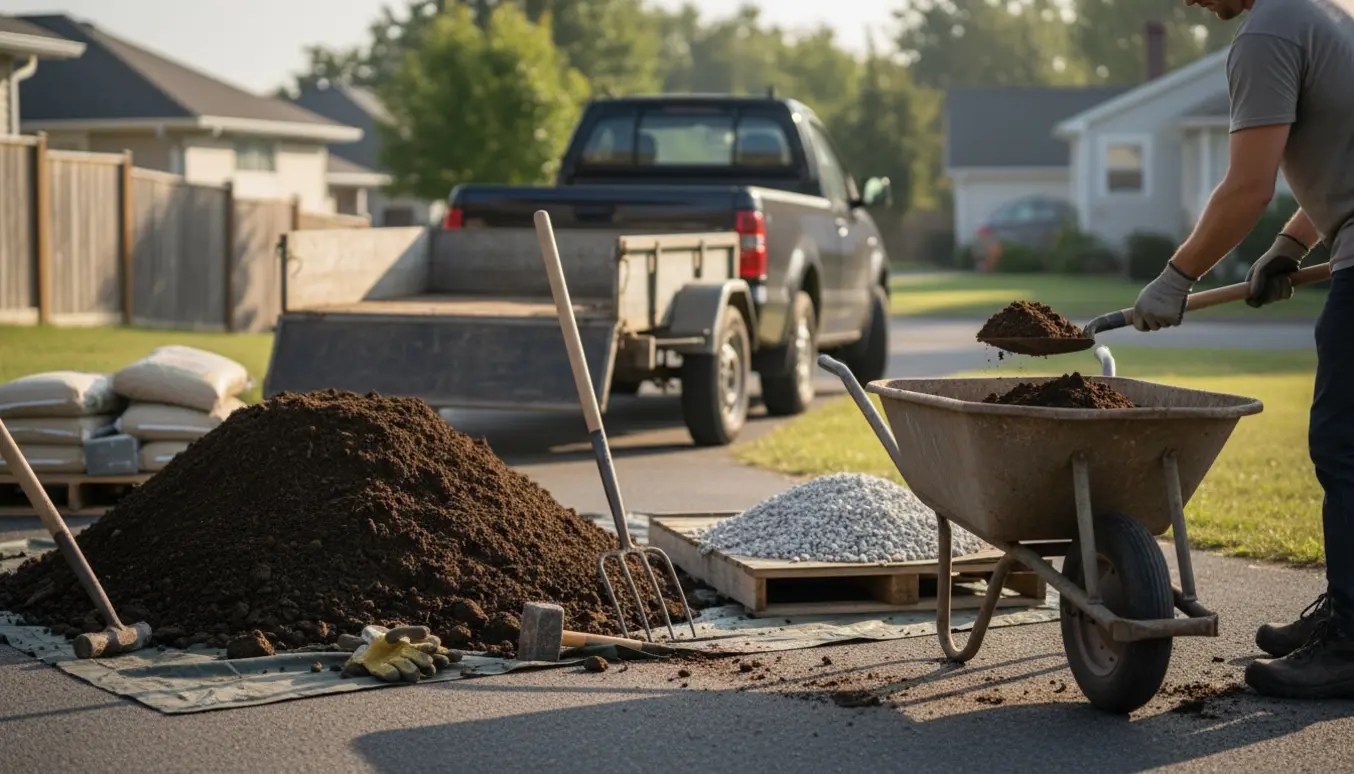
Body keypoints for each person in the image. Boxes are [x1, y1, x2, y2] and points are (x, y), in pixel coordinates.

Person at [1132, 0, 1354, 699]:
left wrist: (1177, 276)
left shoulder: (1266, 34)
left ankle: (1350, 642)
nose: (1192, 2)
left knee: (1344, 444)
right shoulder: (1329, 13)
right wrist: (1291, 246)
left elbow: (1246, 187)